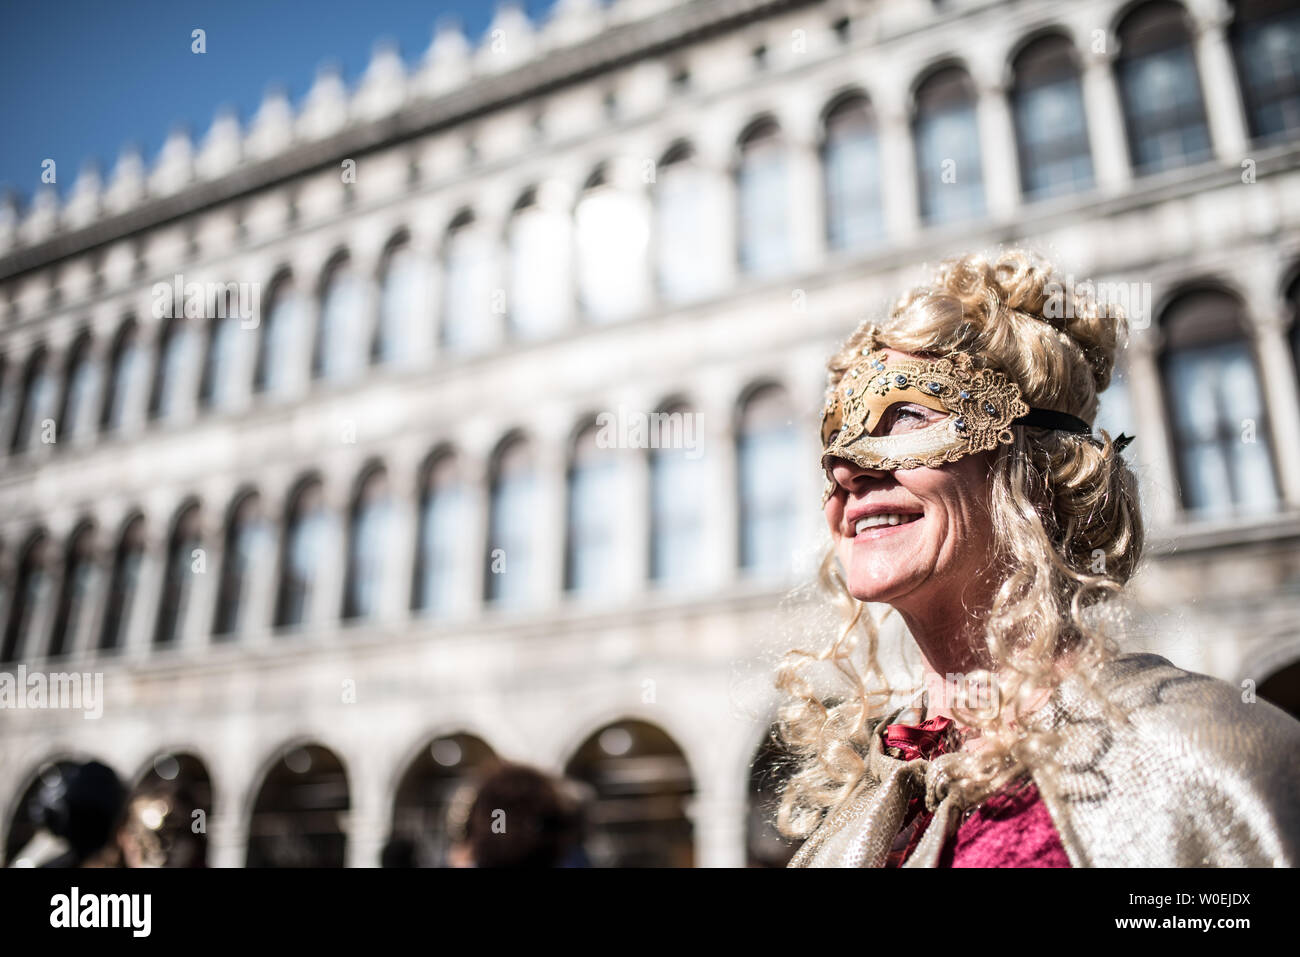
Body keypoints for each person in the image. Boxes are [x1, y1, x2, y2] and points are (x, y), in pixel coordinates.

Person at [775, 249, 1300, 867]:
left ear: (1034, 467)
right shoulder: (870, 806)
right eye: (835, 434)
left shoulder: (1204, 763)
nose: (846, 465)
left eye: (906, 416)